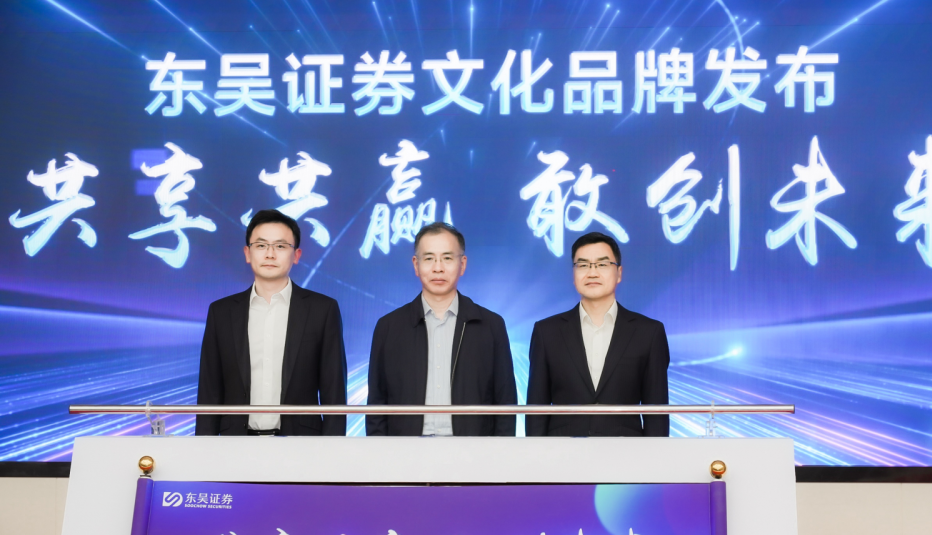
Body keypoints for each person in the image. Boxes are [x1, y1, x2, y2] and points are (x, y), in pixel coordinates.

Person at [196, 209, 347, 436]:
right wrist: (203, 449)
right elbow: (209, 390)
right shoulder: (221, 312)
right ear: (247, 253)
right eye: (261, 245)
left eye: (280, 246)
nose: (270, 254)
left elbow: (333, 390)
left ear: (296, 255)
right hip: (234, 443)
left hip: (301, 444)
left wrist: (333, 450)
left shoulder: (322, 310)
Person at [366, 222, 517, 436]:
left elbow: (505, 402)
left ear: (462, 264)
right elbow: (376, 404)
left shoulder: (491, 325)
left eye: (447, 258)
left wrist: (499, 451)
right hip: (406, 449)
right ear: (416, 265)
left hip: (471, 449)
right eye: (429, 258)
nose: (438, 268)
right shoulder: (389, 327)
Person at [526, 231, 670, 437]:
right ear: (573, 274)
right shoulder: (546, 332)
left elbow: (656, 414)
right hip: (562, 451)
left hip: (626, 451)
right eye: (583, 265)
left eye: (602, 264)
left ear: (619, 273)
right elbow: (536, 410)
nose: (592, 273)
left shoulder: (649, 332)